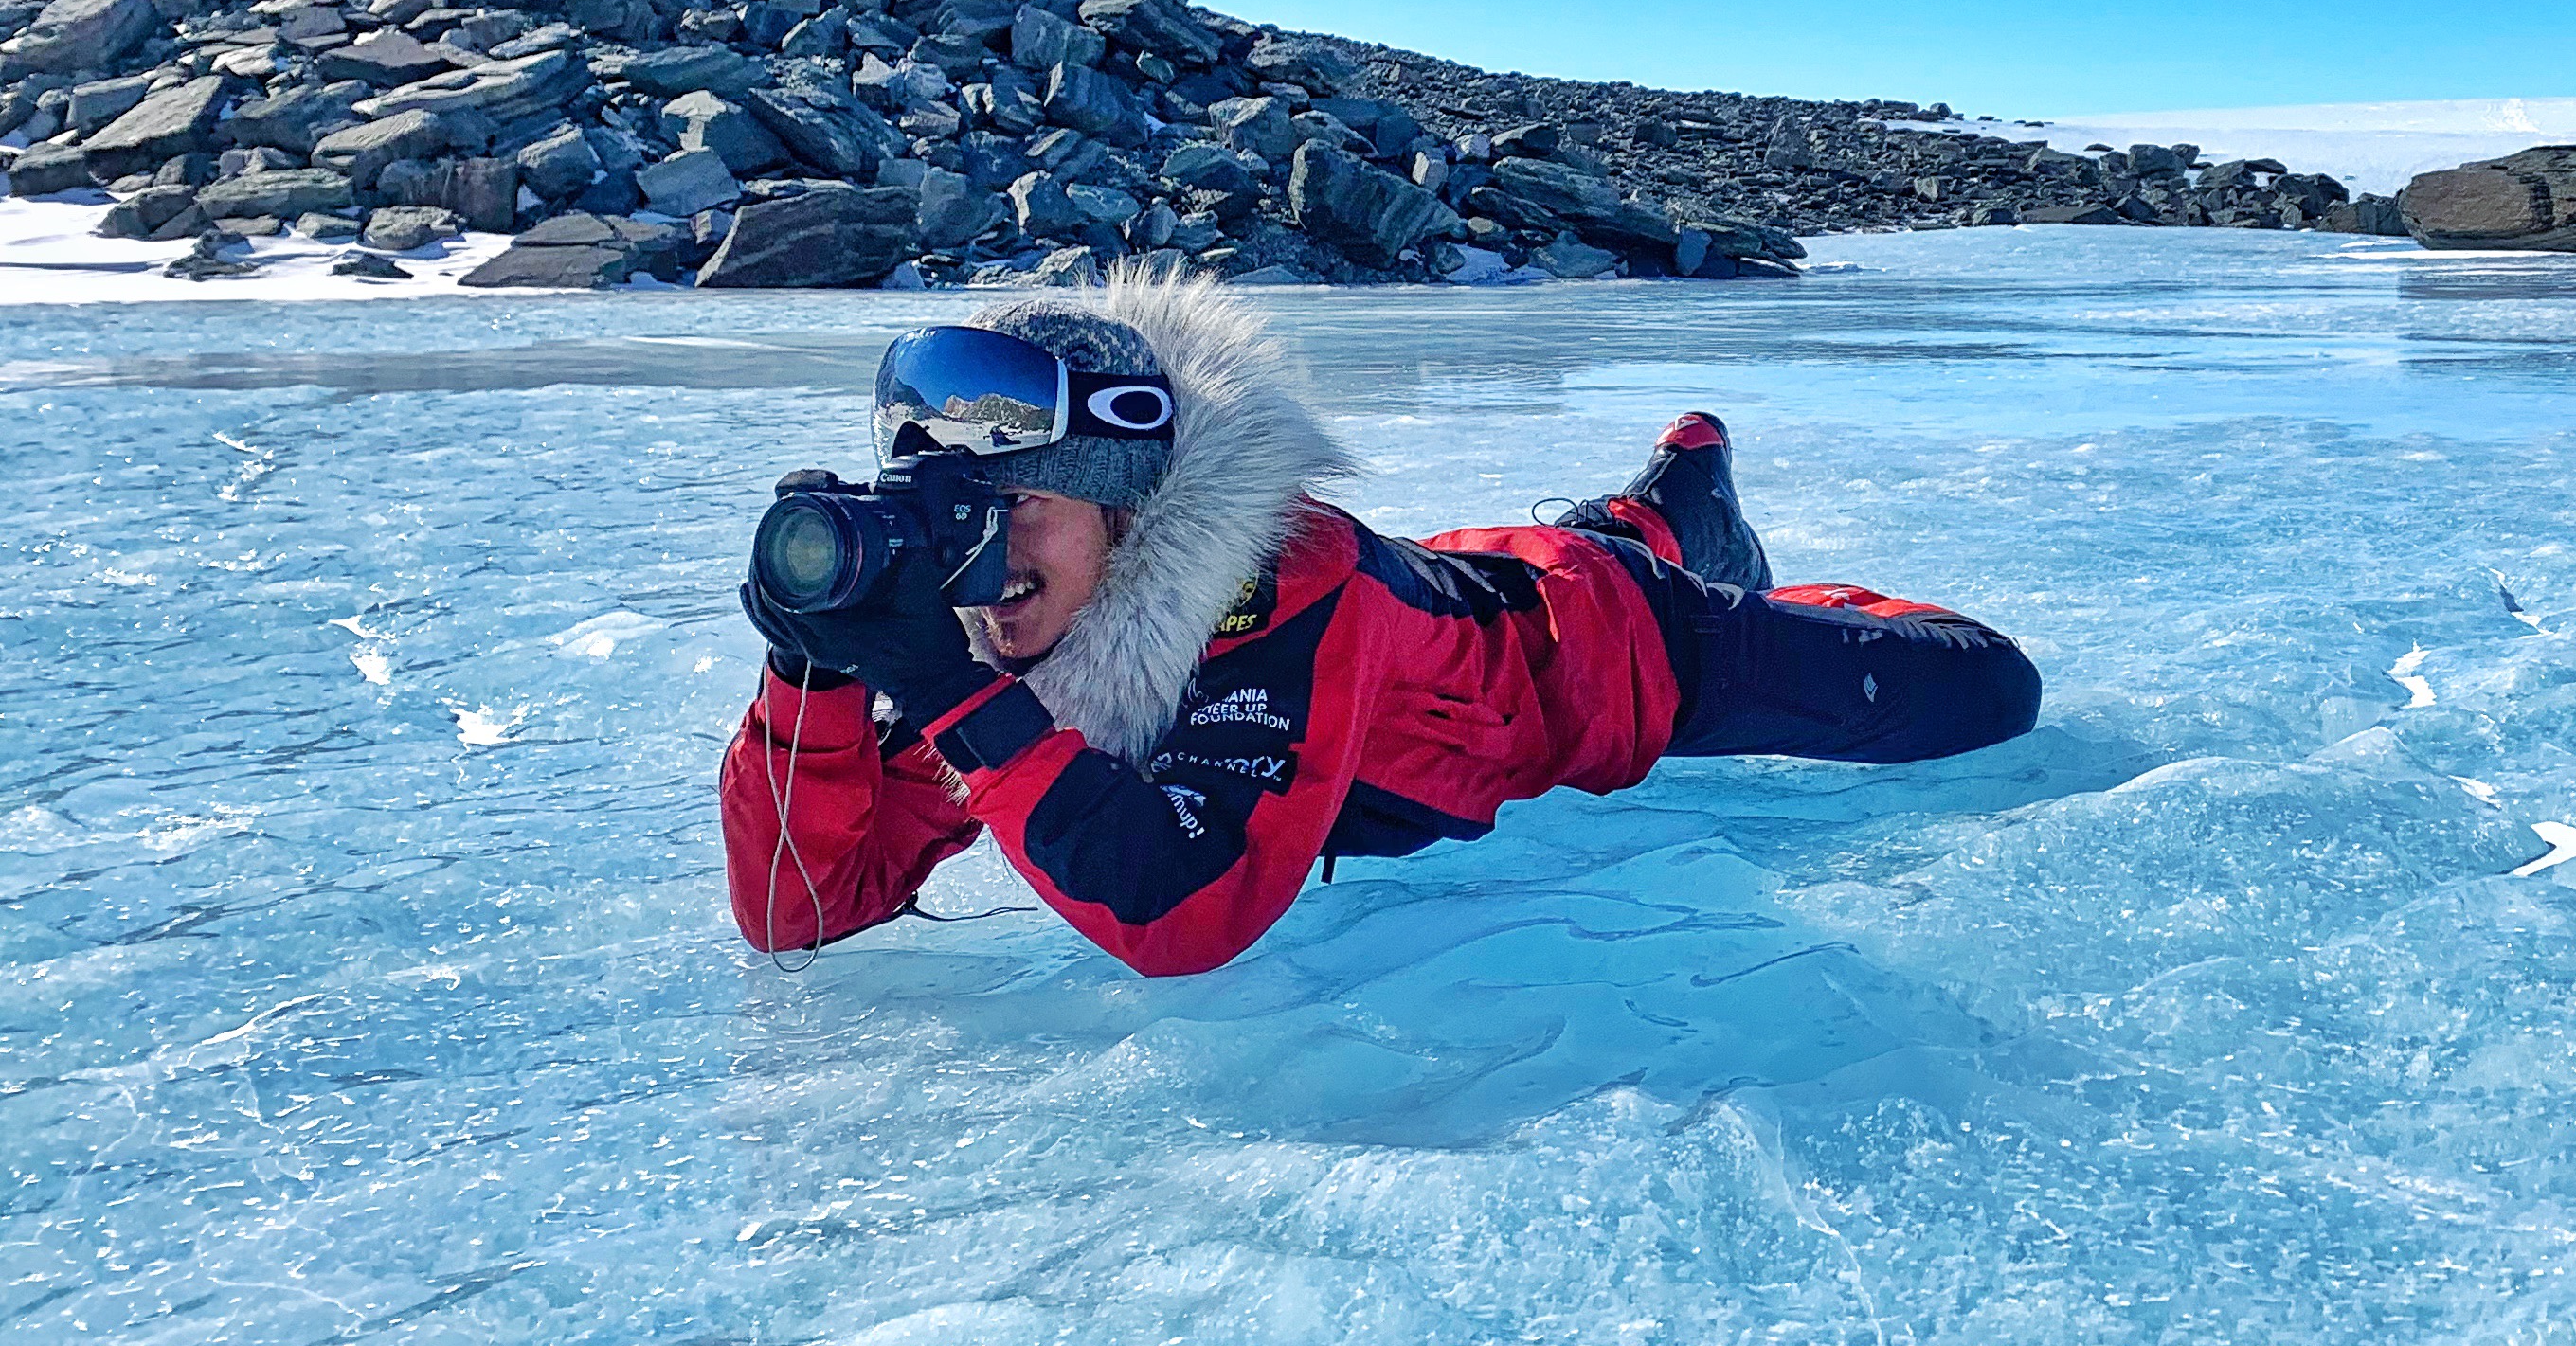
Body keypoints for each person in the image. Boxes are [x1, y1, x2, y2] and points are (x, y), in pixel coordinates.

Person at [720, 274, 2041, 976]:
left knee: (1986, 693)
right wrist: (812, 677)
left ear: (1130, 516)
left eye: (1025, 508)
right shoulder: (993, 632)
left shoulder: (1284, 599)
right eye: (956, 516)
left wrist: (961, 708)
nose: (982, 557)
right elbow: (801, 907)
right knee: (1540, 557)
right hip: (1462, 601)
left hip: (1612, 654)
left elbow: (1188, 914)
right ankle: (1657, 501)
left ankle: (1694, 538)